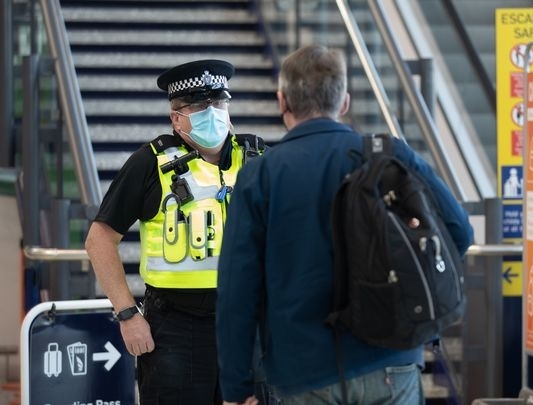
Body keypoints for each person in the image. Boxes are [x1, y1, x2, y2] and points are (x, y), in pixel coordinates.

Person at [215, 44, 474, 405]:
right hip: (390, 358)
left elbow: (236, 291)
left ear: (282, 102)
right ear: (345, 102)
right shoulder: (388, 155)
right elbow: (459, 231)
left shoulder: (260, 175)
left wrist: (236, 387)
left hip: (303, 370)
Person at [85, 59, 266, 405]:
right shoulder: (151, 163)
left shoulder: (258, 159)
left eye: (218, 103)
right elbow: (99, 239)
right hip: (176, 330)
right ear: (176, 118)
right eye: (198, 106)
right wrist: (126, 315)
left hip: (249, 325)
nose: (211, 113)